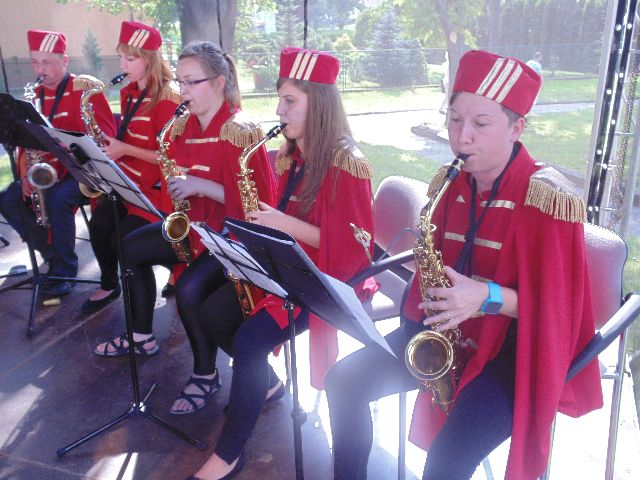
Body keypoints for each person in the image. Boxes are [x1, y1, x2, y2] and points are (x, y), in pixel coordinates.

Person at [325, 49, 603, 480]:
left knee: (446, 461)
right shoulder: (450, 183)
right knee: (343, 380)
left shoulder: (549, 199)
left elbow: (558, 312)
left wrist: (486, 296)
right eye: (454, 119)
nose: (461, 137)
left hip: (513, 356)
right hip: (447, 338)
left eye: (481, 123)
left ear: (517, 128)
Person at [185, 46, 377, 480]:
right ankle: (265, 384)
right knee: (213, 313)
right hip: (286, 269)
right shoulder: (291, 155)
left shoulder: (349, 163)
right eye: (279, 99)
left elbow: (353, 250)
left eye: (290, 101)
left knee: (250, 341)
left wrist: (282, 224)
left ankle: (228, 454)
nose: (279, 110)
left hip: (327, 280)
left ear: (320, 104)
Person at [93, 41, 278, 414]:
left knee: (190, 288)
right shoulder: (182, 126)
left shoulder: (240, 131)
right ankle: (141, 335)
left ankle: (207, 375)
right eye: (181, 82)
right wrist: (178, 186)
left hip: (231, 238)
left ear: (219, 82)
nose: (183, 90)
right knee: (129, 247)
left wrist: (200, 185)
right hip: (193, 228)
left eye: (192, 82)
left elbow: (260, 205)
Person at [0, 29, 115, 297]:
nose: (40, 69)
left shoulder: (85, 90)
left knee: (59, 197)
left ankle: (64, 269)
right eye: (35, 62)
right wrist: (26, 176)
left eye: (47, 62)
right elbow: (24, 145)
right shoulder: (34, 96)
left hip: (84, 171)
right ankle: (50, 252)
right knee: (8, 199)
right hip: (48, 172)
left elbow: (105, 139)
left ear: (64, 61)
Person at [80, 21, 181, 314]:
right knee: (99, 227)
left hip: (155, 191)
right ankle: (109, 284)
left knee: (122, 240)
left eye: (130, 58)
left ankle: (178, 264)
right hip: (127, 183)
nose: (122, 65)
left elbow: (169, 159)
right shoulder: (130, 92)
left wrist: (124, 149)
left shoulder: (167, 97)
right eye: (121, 57)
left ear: (150, 59)